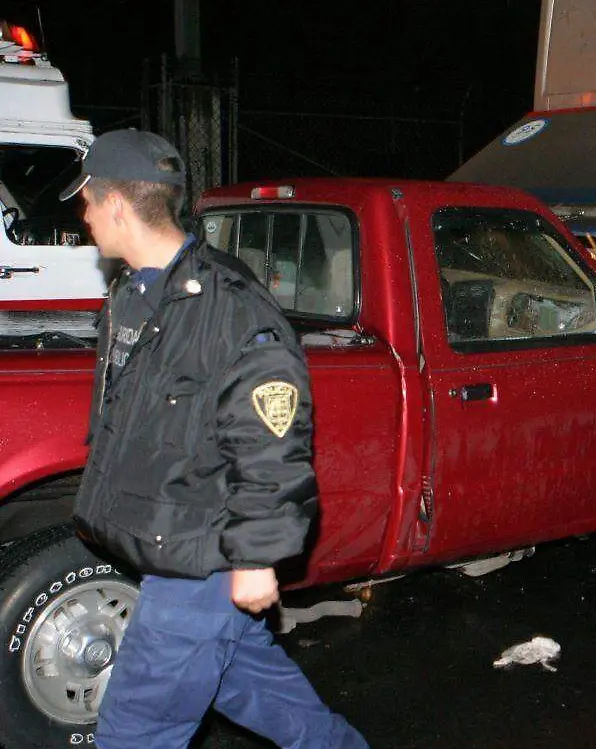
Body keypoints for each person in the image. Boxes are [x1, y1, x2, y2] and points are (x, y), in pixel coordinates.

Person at [61, 129, 368, 749]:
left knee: (134, 731)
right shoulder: (133, 296)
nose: (85, 216)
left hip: (198, 550)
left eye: (89, 202)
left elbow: (272, 441)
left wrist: (256, 557)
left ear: (117, 205)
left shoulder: (230, 309)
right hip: (168, 541)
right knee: (250, 686)